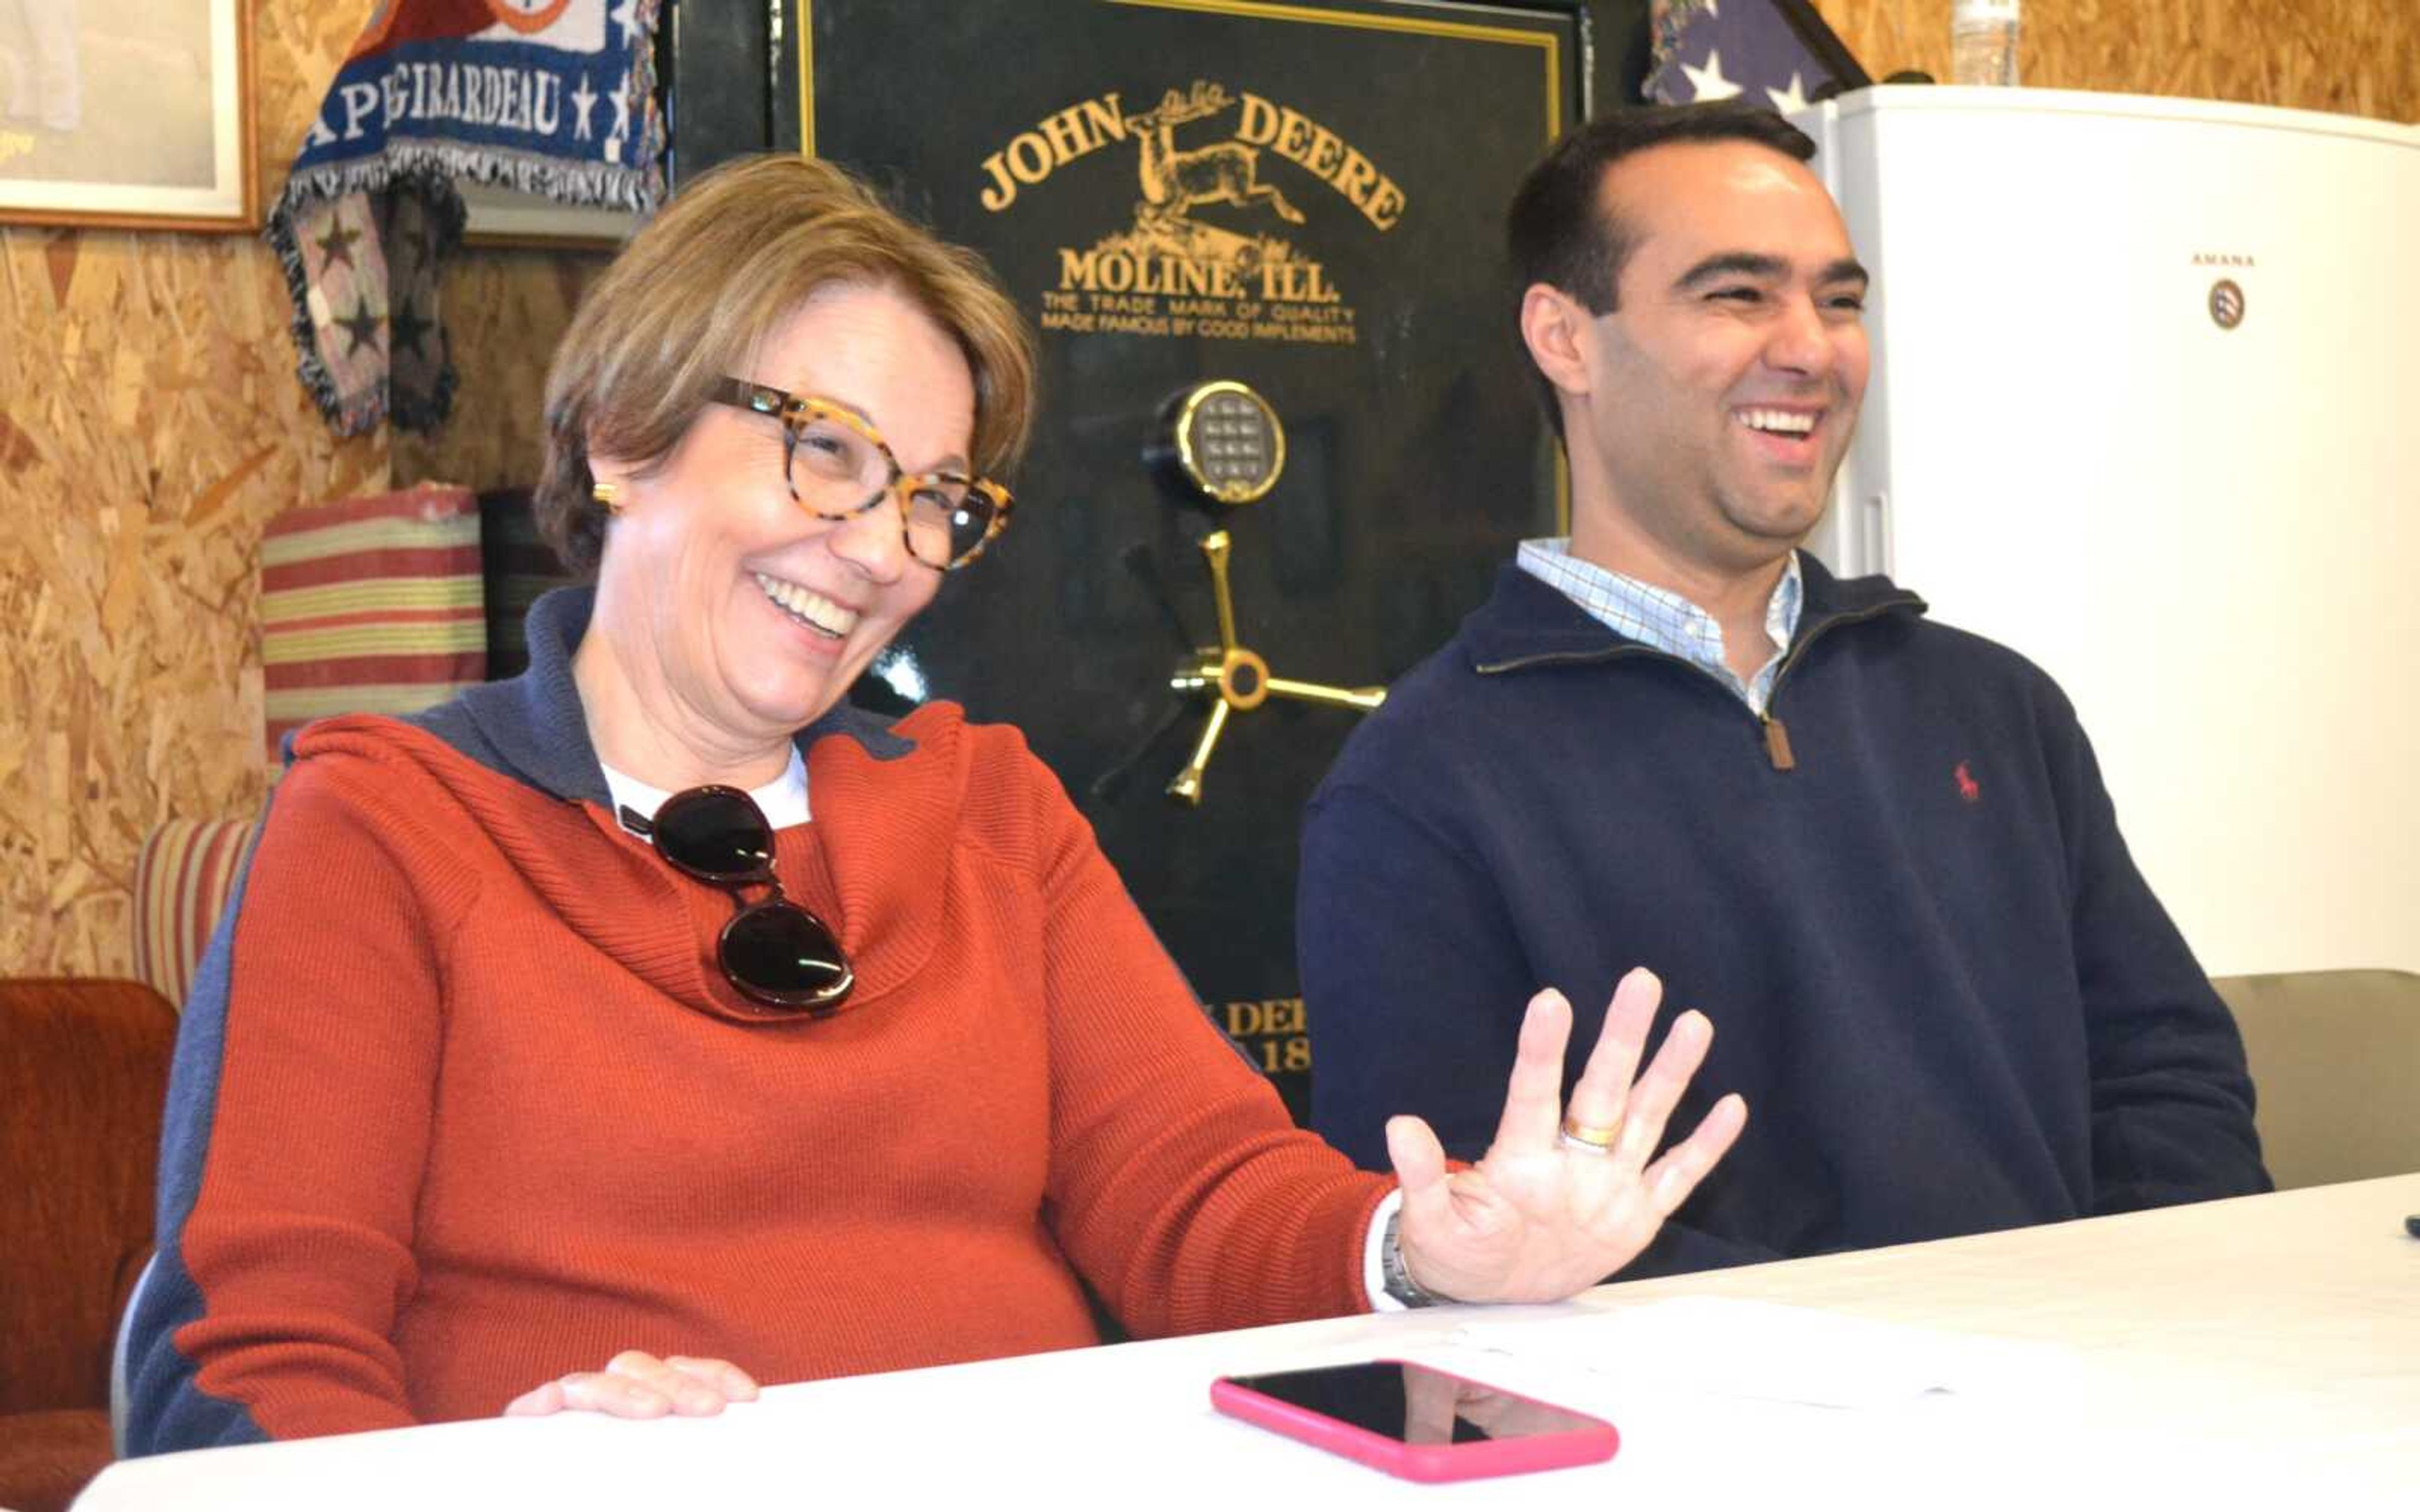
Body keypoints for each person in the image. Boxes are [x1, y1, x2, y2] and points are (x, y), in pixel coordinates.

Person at [122, 154, 1746, 1453]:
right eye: (826, 452)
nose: (887, 550)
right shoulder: (390, 826)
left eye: (936, 500)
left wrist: (1424, 1252)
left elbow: (1196, 1196)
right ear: (624, 436)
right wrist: (492, 1478)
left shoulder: (990, 813)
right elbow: (241, 1367)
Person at [1298, 103, 2267, 1280]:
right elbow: (1459, 1227)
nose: (1813, 347)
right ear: (1566, 339)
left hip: (2088, 1394)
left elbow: (2167, 1070)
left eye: (1840, 299)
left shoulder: (1996, 707)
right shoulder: (1419, 785)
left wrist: (2156, 1317)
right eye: (1738, 295)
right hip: (1707, 1443)